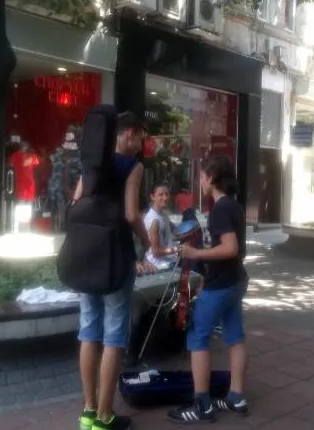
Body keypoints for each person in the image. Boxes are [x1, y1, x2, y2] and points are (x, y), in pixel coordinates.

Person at [74, 112, 156, 430]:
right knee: (115, 334)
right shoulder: (132, 167)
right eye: (141, 138)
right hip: (117, 257)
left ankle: (88, 410)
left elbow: (77, 200)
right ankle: (105, 416)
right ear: (129, 133)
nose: (140, 145)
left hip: (88, 255)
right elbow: (132, 214)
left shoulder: (93, 163)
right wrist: (146, 240)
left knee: (88, 329)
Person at [167, 154, 249, 424]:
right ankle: (236, 397)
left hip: (221, 284)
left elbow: (230, 248)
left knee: (197, 337)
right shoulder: (234, 206)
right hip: (235, 281)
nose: (199, 181)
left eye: (201, 176)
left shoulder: (221, 209)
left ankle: (202, 405)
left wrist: (196, 253)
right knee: (235, 336)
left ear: (211, 178)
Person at [143, 182, 178, 269]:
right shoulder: (154, 220)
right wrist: (177, 249)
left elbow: (175, 231)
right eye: (161, 195)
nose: (165, 198)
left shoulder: (163, 215)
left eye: (167, 194)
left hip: (168, 260)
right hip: (159, 266)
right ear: (152, 197)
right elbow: (156, 252)